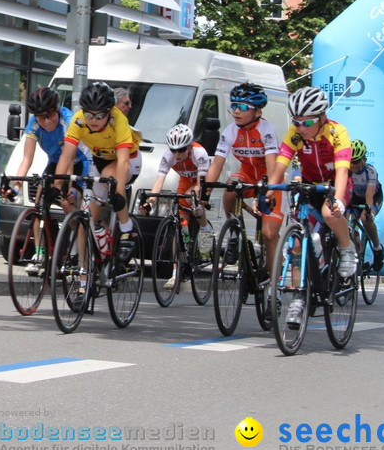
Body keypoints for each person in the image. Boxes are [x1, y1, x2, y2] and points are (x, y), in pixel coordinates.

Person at [267, 86, 357, 329]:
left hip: (334, 183)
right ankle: (298, 298)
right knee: (296, 243)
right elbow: (280, 166)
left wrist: (337, 199)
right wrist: (268, 192)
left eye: (307, 122)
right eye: (296, 122)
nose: (301, 128)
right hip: (308, 184)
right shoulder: (294, 134)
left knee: (330, 212)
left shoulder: (337, 132)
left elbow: (342, 170)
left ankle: (347, 248)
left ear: (321, 118)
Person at [53, 82, 136, 293]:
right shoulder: (78, 119)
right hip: (100, 161)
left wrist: (118, 194)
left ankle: (127, 230)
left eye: (100, 116)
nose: (94, 120)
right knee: (89, 219)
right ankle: (85, 280)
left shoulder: (119, 119)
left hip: (128, 160)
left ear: (109, 111)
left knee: (110, 178)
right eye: (90, 115)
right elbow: (67, 155)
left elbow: (123, 162)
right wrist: (56, 185)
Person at [5, 87, 89, 271]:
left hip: (78, 162)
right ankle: (40, 253)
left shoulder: (68, 120)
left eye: (50, 115)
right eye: (41, 117)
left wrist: (71, 188)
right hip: (55, 162)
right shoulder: (33, 124)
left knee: (68, 205)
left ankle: (84, 255)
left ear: (57, 110)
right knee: (39, 204)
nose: (46, 121)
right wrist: (16, 186)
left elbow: (68, 159)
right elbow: (27, 159)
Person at [203, 82, 282, 270]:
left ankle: (273, 283)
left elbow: (272, 165)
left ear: (257, 112)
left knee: (269, 235)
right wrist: (205, 193)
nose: (237, 111)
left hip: (268, 177)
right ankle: (233, 231)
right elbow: (217, 165)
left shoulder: (266, 130)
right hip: (247, 173)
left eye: (243, 107)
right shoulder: (230, 131)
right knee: (231, 186)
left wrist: (269, 190)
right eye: (234, 106)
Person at [148, 124, 213, 290]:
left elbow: (200, 185)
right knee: (180, 226)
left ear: (190, 146)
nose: (176, 154)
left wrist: (197, 195)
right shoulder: (168, 156)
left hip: (202, 179)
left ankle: (205, 229)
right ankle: (175, 273)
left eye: (181, 150)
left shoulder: (199, 153)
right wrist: (151, 201)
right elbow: (159, 181)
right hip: (184, 181)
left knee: (194, 201)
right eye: (173, 150)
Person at [347, 139, 384, 271]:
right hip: (356, 197)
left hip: (374, 197)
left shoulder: (370, 171)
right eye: (351, 162)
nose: (353, 165)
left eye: (356, 162)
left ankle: (377, 248)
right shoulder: (347, 170)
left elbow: (369, 194)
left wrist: (369, 210)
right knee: (345, 222)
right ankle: (356, 253)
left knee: (366, 218)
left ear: (363, 159)